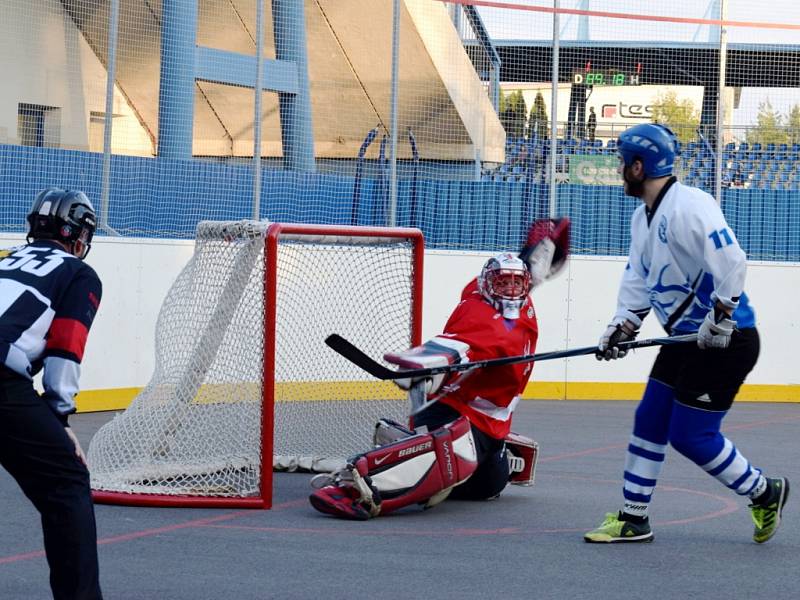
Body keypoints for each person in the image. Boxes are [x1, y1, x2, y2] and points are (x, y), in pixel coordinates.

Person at [584, 123, 788, 544]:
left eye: (623, 163)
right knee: (650, 419)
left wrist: (721, 315)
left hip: (726, 340)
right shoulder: (642, 218)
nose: (621, 169)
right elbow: (638, 280)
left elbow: (732, 260)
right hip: (685, 339)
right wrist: (622, 325)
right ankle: (633, 518)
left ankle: (765, 492)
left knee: (692, 437)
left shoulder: (690, 205)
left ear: (639, 167)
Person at [309, 219, 570, 520]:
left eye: (517, 283)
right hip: (454, 411)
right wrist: (420, 367)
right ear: (487, 284)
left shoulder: (499, 293)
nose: (511, 291)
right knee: (441, 463)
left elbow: (524, 271)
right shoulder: (488, 322)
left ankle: (418, 445)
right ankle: (361, 488)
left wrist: (538, 249)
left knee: (488, 487)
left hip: (489, 422)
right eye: (503, 283)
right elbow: (451, 347)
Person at [0, 188, 103, 598]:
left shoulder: (6, 260)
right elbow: (66, 347)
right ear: (78, 234)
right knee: (66, 484)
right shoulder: (79, 274)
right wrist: (59, 416)